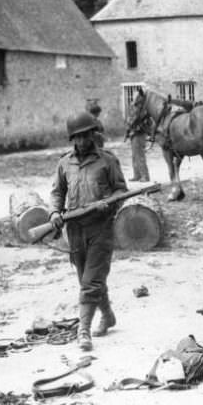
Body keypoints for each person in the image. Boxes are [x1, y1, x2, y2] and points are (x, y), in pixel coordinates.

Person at [49, 111, 127, 351]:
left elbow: (121, 191)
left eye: (86, 136)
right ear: (72, 139)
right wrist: (54, 213)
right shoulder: (64, 163)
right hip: (74, 231)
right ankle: (108, 315)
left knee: (90, 283)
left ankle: (83, 332)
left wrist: (109, 202)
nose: (82, 141)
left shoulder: (107, 161)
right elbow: (57, 192)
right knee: (86, 279)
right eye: (77, 137)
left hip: (100, 229)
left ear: (93, 134)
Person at [125, 106, 151, 182]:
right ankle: (137, 175)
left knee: (139, 156)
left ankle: (145, 176)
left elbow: (131, 122)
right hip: (135, 135)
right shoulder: (140, 113)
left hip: (138, 135)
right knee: (135, 156)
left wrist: (129, 123)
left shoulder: (141, 113)